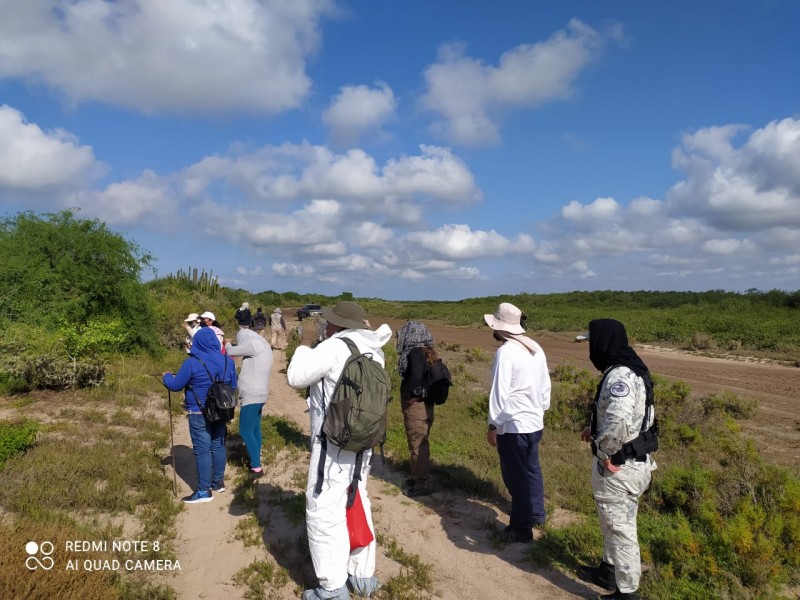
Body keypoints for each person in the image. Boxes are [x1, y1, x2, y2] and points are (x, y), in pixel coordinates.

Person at [286, 301, 392, 600]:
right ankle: (362, 576)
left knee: (323, 507)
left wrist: (306, 343)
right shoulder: (375, 351)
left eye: (328, 323)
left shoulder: (334, 347)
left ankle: (332, 588)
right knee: (357, 500)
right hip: (364, 442)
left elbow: (296, 377)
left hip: (332, 443)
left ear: (337, 325)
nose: (325, 326)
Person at [578, 319, 657, 600]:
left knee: (621, 531)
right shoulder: (630, 369)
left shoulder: (619, 377)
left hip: (620, 466)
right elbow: (637, 416)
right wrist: (594, 429)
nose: (590, 348)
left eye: (592, 342)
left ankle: (628, 593)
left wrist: (608, 452)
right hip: (634, 462)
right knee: (612, 522)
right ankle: (608, 570)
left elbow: (620, 419)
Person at [484, 302, 551, 543]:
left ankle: (521, 528)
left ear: (500, 326)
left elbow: (499, 393)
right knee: (532, 469)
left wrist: (493, 425)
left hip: (513, 425)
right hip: (534, 422)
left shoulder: (506, 352)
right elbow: (545, 386)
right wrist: (540, 410)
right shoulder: (535, 348)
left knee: (517, 476)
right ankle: (536, 514)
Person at [162, 327, 237, 503]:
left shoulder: (192, 362)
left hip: (198, 411)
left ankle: (203, 491)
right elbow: (234, 386)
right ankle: (217, 483)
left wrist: (166, 377)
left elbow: (175, 385)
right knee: (218, 445)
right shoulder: (228, 360)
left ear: (198, 343)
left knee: (202, 450)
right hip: (221, 409)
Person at [396, 320, 437, 497]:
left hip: (416, 406)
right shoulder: (429, 351)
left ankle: (421, 485)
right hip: (427, 404)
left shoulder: (413, 352)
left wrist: (409, 397)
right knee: (421, 440)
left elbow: (414, 377)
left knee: (417, 443)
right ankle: (418, 476)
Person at [225, 326, 273, 476]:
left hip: (252, 394)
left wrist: (227, 343)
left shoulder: (252, 344)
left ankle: (257, 467)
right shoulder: (263, 344)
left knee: (245, 431)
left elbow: (231, 352)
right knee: (255, 429)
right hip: (260, 393)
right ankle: (255, 459)